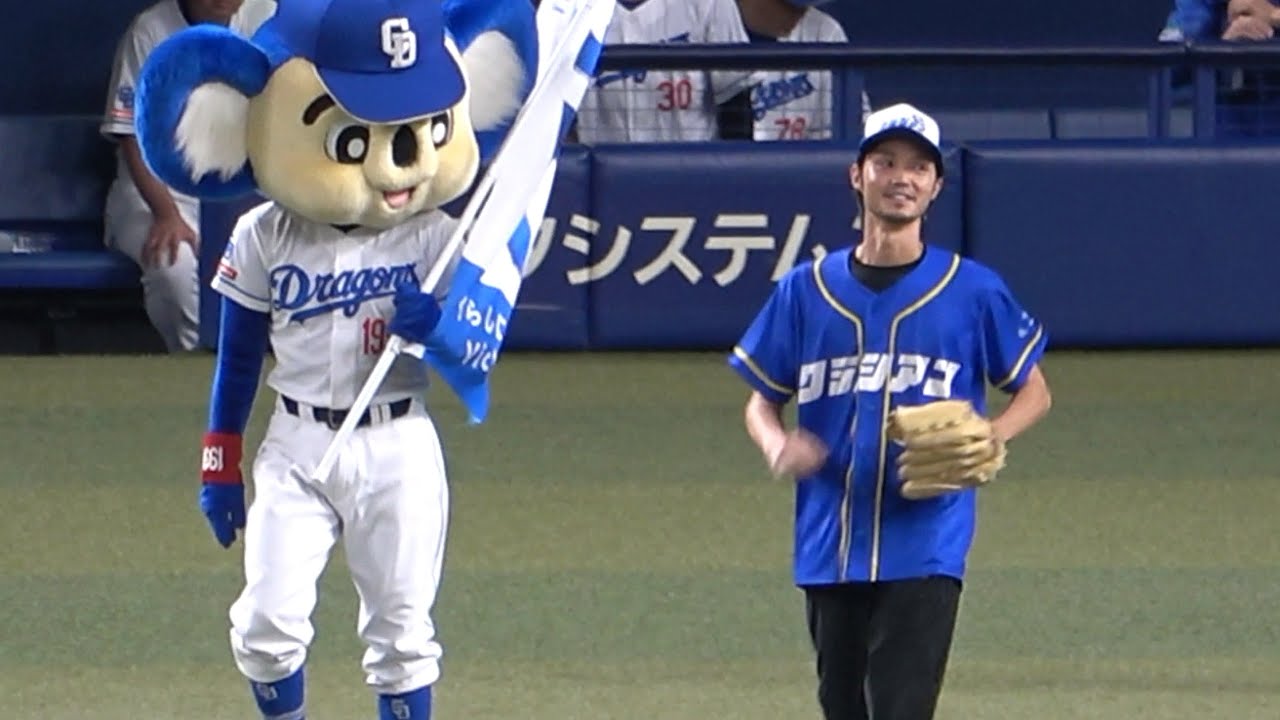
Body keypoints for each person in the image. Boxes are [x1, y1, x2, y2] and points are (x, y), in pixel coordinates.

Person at [727, 103, 1053, 719]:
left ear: (935, 187)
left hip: (927, 536)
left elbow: (1034, 390)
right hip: (828, 537)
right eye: (886, 162)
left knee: (901, 708)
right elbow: (761, 401)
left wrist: (992, 435)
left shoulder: (973, 289)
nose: (902, 177)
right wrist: (777, 445)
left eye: (919, 167)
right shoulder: (805, 289)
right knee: (843, 707)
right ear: (858, 176)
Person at [100, 0, 275, 352]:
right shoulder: (151, 30)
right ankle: (194, 361)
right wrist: (166, 214)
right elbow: (132, 135)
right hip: (160, 192)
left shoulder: (266, 17)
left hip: (240, 189)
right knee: (172, 265)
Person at [573, 0, 761, 143]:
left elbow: (736, 98)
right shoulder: (571, 9)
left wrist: (729, 170)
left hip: (692, 167)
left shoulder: (708, 3)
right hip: (601, 169)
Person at [736, 0, 869, 141]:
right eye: (788, 5)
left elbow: (852, 137)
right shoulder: (719, 26)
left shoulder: (824, 32)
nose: (801, 13)